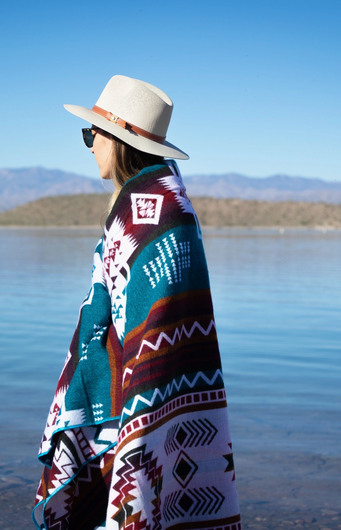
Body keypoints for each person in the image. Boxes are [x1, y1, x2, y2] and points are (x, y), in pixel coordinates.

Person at [33, 75, 241, 530]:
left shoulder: (155, 209)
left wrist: (131, 410)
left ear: (117, 139)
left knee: (142, 505)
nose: (88, 145)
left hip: (144, 395)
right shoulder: (155, 201)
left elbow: (154, 323)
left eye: (92, 134)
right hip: (140, 390)